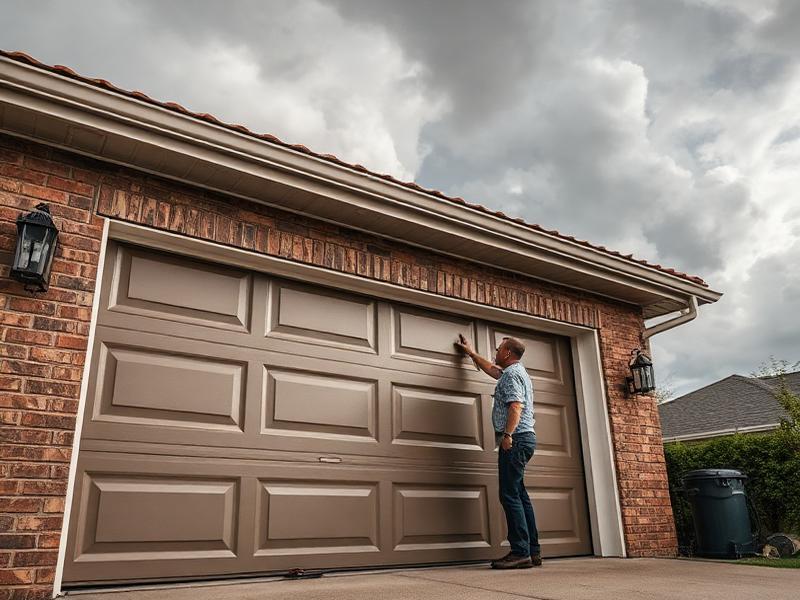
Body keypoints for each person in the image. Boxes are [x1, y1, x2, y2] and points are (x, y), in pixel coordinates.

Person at [455, 334, 541, 569]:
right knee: (519, 495)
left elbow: (516, 405)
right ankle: (532, 551)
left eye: (499, 348)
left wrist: (508, 435)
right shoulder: (516, 372)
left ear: (507, 353)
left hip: (516, 439)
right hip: (526, 439)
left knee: (509, 495)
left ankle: (520, 552)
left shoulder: (513, 375)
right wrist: (471, 353)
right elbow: (493, 370)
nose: (496, 351)